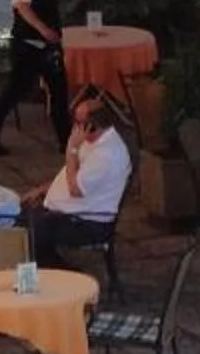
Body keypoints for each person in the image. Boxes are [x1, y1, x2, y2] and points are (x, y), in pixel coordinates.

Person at [22, 99, 130, 274]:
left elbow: (76, 189)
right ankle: (52, 267)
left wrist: (71, 150)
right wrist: (42, 189)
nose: (74, 126)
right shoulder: (91, 141)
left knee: (29, 230)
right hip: (69, 212)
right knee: (19, 216)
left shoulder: (106, 155)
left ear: (92, 126)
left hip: (87, 223)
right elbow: (71, 174)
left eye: (78, 122)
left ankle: (65, 275)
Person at [0, 0, 68, 154]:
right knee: (14, 91)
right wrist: (43, 29)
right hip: (29, 46)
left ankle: (66, 140)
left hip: (46, 46)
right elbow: (21, 6)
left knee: (59, 90)